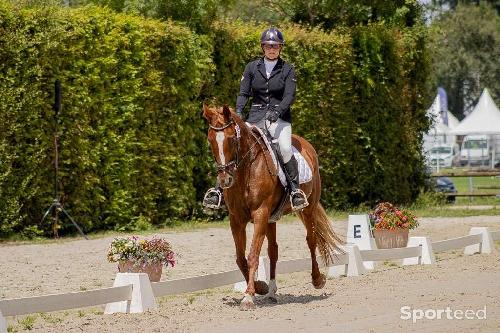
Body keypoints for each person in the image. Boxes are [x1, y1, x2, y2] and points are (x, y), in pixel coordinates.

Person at [203, 27, 308, 211]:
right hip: (255, 117)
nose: (271, 49)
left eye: (275, 45)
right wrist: (239, 111)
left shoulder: (288, 69)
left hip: (280, 119)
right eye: (268, 45)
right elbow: (244, 93)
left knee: (283, 147)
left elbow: (289, 96)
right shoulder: (252, 67)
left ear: (280, 48)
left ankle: (295, 191)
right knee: (234, 144)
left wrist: (278, 111)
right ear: (263, 47)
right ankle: (217, 191)